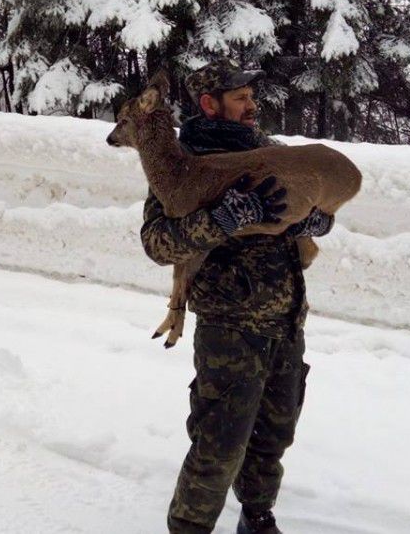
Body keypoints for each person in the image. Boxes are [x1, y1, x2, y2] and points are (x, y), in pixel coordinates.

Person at [140, 60, 336, 534]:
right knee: (219, 443)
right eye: (241, 97)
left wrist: (316, 220)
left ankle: (257, 515)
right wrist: (221, 220)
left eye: (251, 95)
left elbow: (318, 203)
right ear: (210, 104)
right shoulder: (183, 163)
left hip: (287, 321)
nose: (253, 105)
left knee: (273, 435)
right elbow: (157, 242)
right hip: (230, 329)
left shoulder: (272, 152)